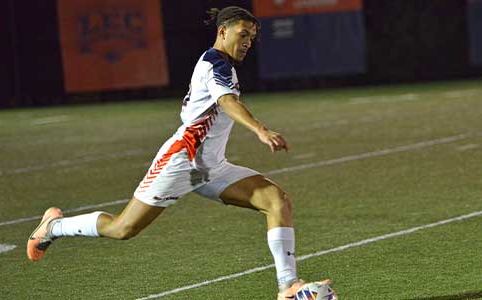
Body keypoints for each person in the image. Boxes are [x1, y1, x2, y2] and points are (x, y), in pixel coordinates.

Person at [27, 6, 337, 300]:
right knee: (123, 228)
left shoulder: (222, 65)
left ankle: (288, 286)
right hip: (182, 161)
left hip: (210, 167)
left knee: (275, 200)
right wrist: (259, 129)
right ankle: (53, 226)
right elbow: (227, 102)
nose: (247, 43)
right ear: (223, 31)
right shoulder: (215, 63)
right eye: (243, 34)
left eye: (252, 38)